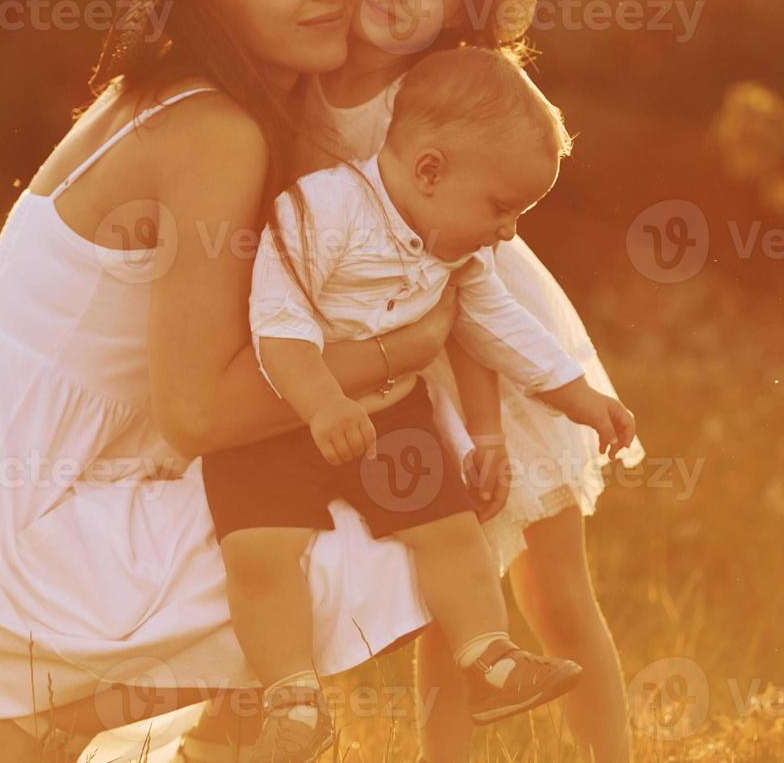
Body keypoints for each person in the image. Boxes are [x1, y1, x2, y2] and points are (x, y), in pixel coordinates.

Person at [0, 0, 462, 762]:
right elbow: (193, 413)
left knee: (325, 524)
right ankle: (45, 720)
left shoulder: (169, 92)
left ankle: (70, 729)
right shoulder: (212, 133)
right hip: (15, 521)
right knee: (378, 528)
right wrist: (402, 354)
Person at [299, 0, 649, 762]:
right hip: (382, 343)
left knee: (555, 590)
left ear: (459, 14)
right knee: (448, 602)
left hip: (486, 328)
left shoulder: (440, 96)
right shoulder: (299, 75)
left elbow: (470, 290)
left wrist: (488, 429)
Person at [207, 47, 637, 761]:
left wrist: (579, 396)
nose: (509, 233)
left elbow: (502, 327)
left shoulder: (458, 250)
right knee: (259, 551)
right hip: (289, 410)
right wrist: (320, 405)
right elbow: (276, 327)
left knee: (455, 532)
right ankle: (292, 699)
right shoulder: (320, 211)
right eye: (502, 209)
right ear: (431, 171)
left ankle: (489, 658)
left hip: (390, 412)